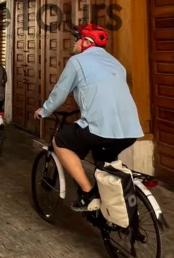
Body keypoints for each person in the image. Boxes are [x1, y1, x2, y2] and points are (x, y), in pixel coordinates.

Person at [34, 24, 143, 212]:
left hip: (101, 128)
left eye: (76, 39)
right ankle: (109, 209)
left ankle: (87, 194)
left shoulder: (77, 61)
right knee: (103, 166)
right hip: (130, 130)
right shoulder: (117, 63)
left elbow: (60, 93)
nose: (74, 43)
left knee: (60, 141)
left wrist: (43, 111)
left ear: (86, 42)